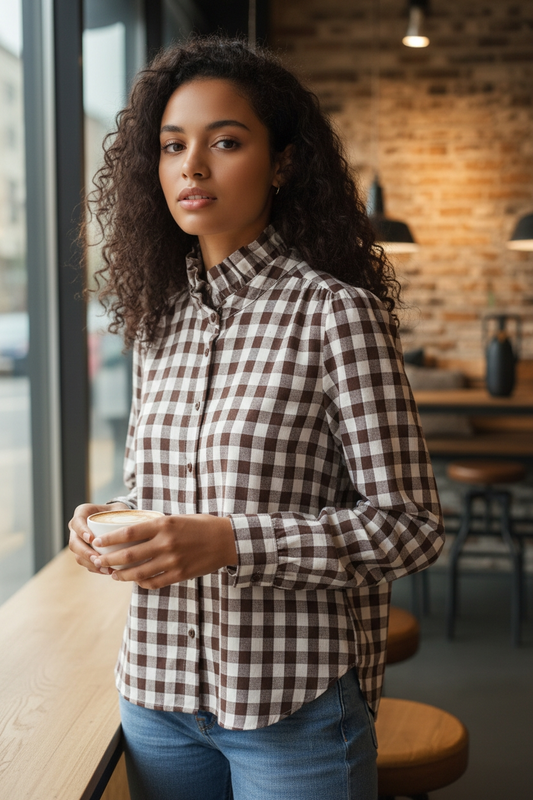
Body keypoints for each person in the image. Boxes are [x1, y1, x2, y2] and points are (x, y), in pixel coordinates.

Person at [69, 36, 444, 800]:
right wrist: (106, 521)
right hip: (156, 696)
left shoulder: (336, 315)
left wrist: (231, 542)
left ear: (283, 163)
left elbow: (409, 526)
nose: (192, 167)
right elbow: (152, 484)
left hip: (291, 709)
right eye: (172, 146)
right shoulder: (157, 321)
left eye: (226, 142)